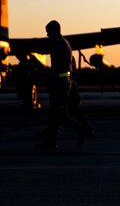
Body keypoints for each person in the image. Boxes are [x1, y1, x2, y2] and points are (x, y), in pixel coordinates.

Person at [37, 20, 92, 150]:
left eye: (48, 32)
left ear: (54, 30)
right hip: (65, 80)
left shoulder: (57, 44)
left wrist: (49, 74)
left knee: (57, 112)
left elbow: (59, 65)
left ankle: (79, 129)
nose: (47, 35)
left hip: (59, 81)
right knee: (55, 112)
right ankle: (51, 141)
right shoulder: (66, 43)